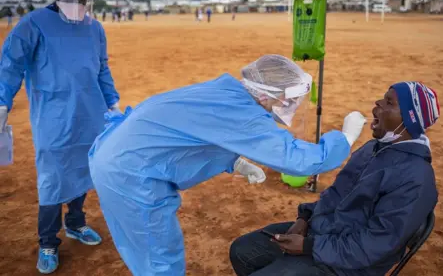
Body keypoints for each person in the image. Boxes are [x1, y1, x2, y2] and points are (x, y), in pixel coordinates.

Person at [88, 54, 368, 276]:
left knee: (147, 252)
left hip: (117, 153)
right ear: (265, 94)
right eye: (290, 98)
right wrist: (345, 137)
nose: (292, 104)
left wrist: (235, 162)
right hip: (130, 173)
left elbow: (197, 133)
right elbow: (300, 161)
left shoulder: (229, 91)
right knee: (157, 258)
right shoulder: (244, 113)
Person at [230, 81, 440, 276]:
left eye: (389, 102)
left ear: (409, 119)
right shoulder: (373, 149)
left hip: (348, 265)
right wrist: (305, 218)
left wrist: (308, 247)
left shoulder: (415, 178)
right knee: (241, 251)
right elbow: (336, 193)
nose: (377, 103)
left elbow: (376, 244)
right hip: (323, 233)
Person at [0, 0, 120, 274]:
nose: (78, 3)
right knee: (52, 180)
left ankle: (76, 223)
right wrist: (2, 101)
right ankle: (48, 242)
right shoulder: (34, 23)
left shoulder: (95, 29)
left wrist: (113, 104)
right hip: (53, 118)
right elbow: (11, 63)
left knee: (82, 170)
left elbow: (102, 68)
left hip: (90, 116)